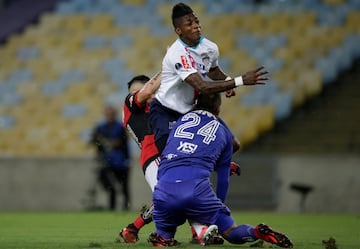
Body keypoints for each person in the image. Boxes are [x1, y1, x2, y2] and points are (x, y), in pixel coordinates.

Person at [149, 93, 293, 248]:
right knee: (232, 232)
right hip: (197, 190)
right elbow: (223, 180)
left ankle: (163, 238)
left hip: (164, 188)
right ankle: (257, 232)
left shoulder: (179, 122)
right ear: (218, 110)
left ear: (195, 104)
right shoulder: (224, 133)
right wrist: (218, 211)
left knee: (164, 234)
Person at [120, 73, 227, 245]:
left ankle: (197, 232)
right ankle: (196, 232)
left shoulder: (165, 108)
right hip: (153, 157)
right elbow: (147, 92)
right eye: (134, 91)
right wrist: (171, 65)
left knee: (183, 194)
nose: (140, 93)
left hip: (175, 156)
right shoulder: (131, 106)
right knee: (171, 197)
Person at [150, 2, 268, 154]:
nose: (196, 26)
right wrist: (240, 81)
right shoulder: (177, 53)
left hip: (191, 110)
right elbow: (202, 86)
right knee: (170, 154)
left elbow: (212, 70)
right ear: (179, 31)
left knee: (232, 145)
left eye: (197, 21)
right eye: (189, 24)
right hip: (166, 111)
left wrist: (227, 80)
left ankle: (209, 164)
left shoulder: (210, 48)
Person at [90, 105, 130, 211]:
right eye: (108, 114)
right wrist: (98, 141)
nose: (109, 116)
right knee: (110, 186)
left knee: (124, 186)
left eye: (111, 114)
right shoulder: (100, 127)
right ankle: (111, 208)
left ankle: (126, 207)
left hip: (120, 162)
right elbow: (94, 141)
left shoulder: (120, 127)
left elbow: (124, 143)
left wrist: (126, 159)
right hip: (106, 162)